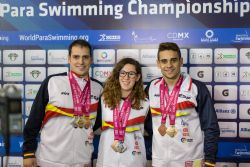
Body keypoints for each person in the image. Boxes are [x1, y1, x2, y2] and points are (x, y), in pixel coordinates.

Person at [23, 39, 103, 167]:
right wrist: (28, 152)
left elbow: (97, 121)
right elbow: (34, 119)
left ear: (91, 60)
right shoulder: (52, 82)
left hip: (82, 160)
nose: (81, 62)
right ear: (69, 59)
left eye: (85, 57)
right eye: (76, 57)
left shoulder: (98, 88)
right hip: (49, 160)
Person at [144, 42, 220, 167]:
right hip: (160, 161)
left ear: (181, 61)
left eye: (173, 60)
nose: (169, 65)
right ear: (158, 64)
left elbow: (211, 126)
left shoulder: (197, 88)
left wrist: (210, 160)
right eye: (164, 61)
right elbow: (146, 121)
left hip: (190, 161)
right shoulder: (152, 87)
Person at [93, 58, 149, 167]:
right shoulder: (104, 99)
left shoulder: (145, 103)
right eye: (123, 73)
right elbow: (91, 126)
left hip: (134, 161)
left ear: (137, 77)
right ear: (117, 75)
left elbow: (153, 132)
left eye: (131, 74)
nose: (126, 77)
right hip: (107, 160)